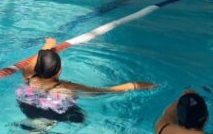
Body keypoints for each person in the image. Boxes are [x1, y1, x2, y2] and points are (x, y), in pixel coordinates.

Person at [16, 38, 156, 126]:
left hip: (28, 107)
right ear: (59, 71)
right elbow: (102, 92)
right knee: (78, 118)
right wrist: (133, 85)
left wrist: (49, 44)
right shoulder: (66, 86)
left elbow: (42, 56)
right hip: (61, 113)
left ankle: (39, 126)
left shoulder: (28, 75)